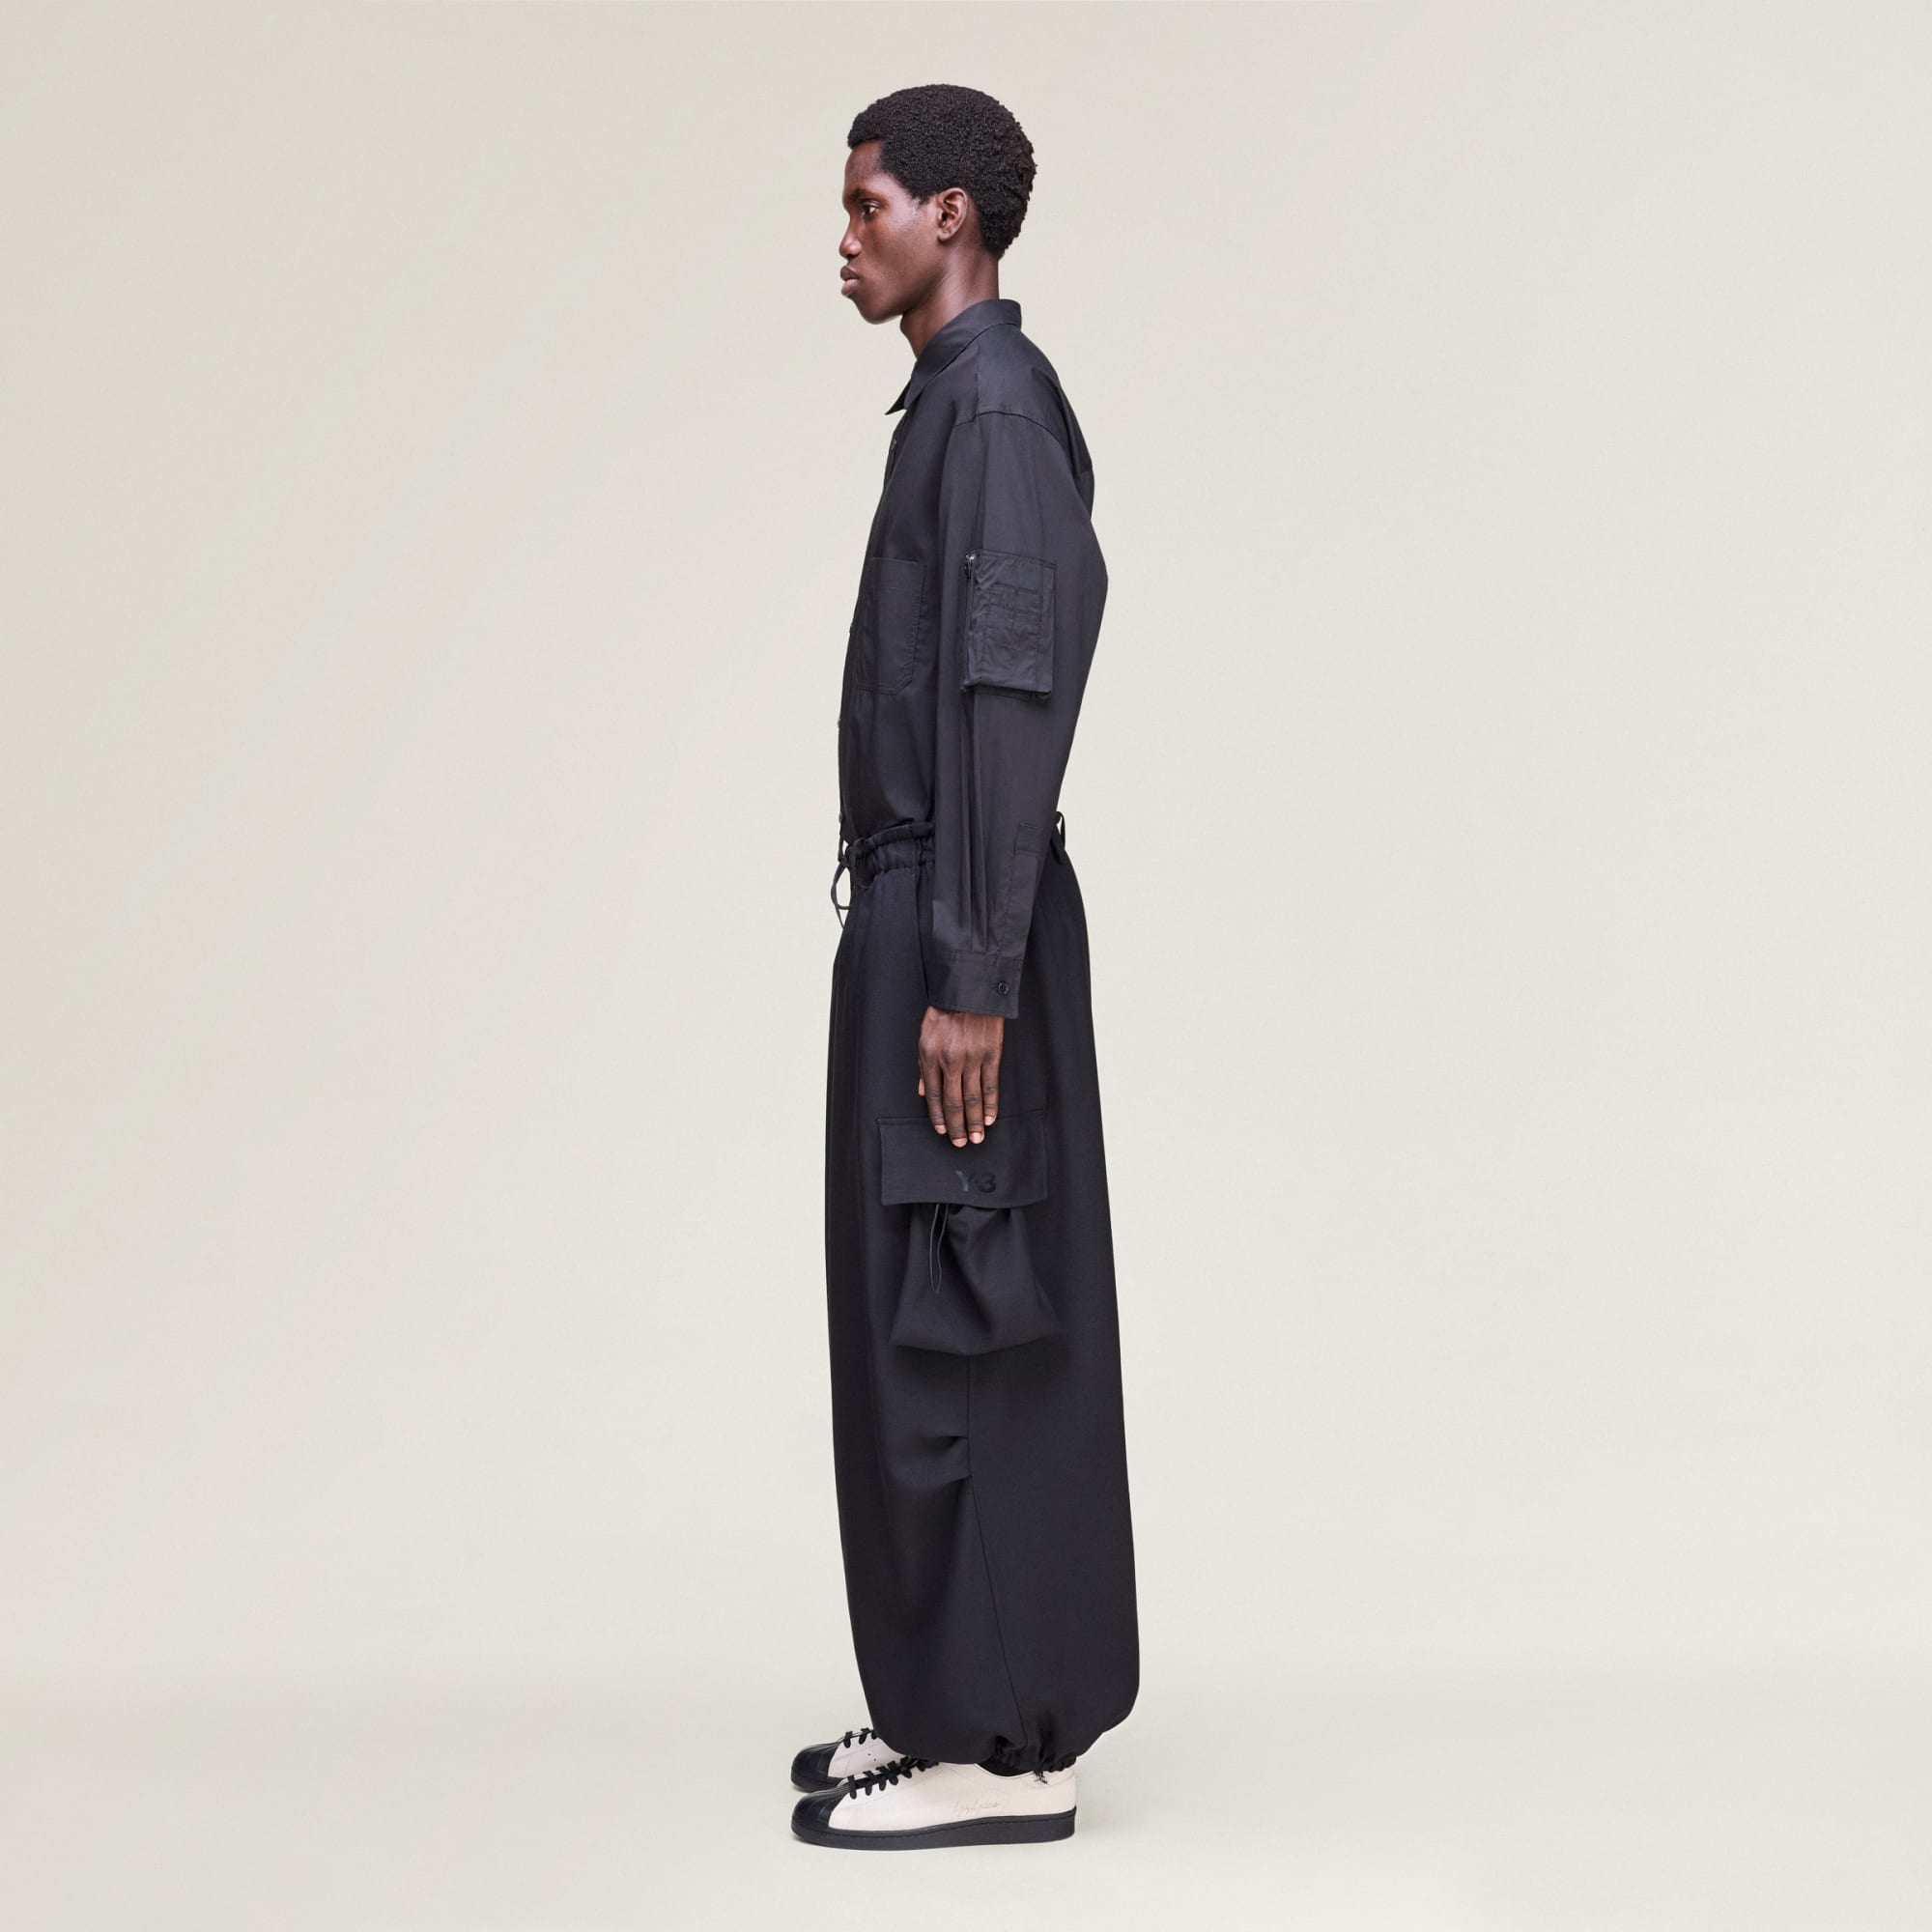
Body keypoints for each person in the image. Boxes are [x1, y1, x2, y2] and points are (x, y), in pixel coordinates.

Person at [793, 84, 1139, 1853]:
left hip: (960, 923)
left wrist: (973, 975)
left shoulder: (994, 408)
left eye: (866, 204)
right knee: (911, 1306)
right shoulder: (951, 403)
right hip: (933, 913)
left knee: (967, 1314)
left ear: (951, 215)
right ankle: (944, 1693)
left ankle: (1003, 1747)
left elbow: (1009, 696)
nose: (844, 236)